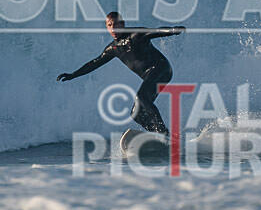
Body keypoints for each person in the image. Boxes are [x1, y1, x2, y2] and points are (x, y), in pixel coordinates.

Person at [57, 12, 185, 137]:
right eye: (109, 25)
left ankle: (163, 132)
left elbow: (156, 32)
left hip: (161, 68)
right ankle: (161, 136)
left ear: (123, 24)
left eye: (115, 24)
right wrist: (72, 75)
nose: (112, 28)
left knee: (141, 97)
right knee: (136, 114)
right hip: (149, 76)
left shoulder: (135, 34)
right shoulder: (113, 48)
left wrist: (173, 30)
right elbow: (94, 63)